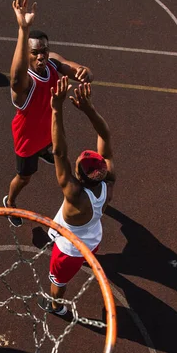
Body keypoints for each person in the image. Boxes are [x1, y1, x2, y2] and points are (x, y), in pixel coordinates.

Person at [3, 0, 93, 227]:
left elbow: (78, 70)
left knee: (58, 153)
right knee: (24, 177)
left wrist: (84, 72)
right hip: (27, 138)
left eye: (44, 50)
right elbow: (14, 79)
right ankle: (10, 203)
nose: (41, 56)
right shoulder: (25, 82)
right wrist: (23, 29)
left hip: (47, 131)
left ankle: (45, 150)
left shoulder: (52, 61)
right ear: (27, 55)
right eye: (35, 53)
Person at [38, 76, 116, 316]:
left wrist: (56, 108)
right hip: (92, 238)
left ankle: (56, 306)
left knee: (58, 282)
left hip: (69, 250)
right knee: (86, 254)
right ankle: (83, 264)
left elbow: (59, 151)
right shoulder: (108, 183)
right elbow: (106, 136)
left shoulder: (74, 195)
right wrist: (89, 110)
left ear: (78, 176)